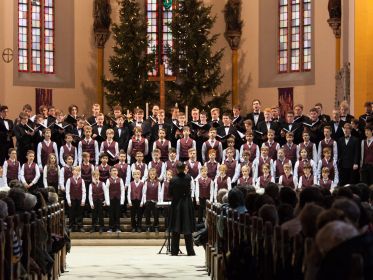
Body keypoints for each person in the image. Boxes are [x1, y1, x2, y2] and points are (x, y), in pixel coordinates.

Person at [168, 162, 196, 256]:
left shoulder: (173, 180)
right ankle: (190, 251)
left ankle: (174, 251)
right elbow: (190, 190)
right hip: (186, 204)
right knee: (187, 228)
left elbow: (169, 194)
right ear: (184, 169)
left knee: (176, 228)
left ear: (176, 169)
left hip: (176, 204)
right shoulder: (188, 178)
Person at [105, 166, 125, 233]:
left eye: (116, 170)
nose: (114, 172)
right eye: (113, 170)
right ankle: (110, 227)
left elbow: (122, 190)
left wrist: (122, 200)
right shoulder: (108, 180)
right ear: (110, 172)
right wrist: (107, 201)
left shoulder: (120, 180)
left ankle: (117, 228)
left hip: (118, 199)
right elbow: (106, 191)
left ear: (117, 172)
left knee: (117, 214)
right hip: (111, 199)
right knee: (111, 214)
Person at [66, 166, 86, 232]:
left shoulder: (82, 180)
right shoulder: (69, 180)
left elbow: (84, 191)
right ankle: (71, 226)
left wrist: (83, 200)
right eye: (75, 170)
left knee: (80, 213)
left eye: (78, 171)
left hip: (79, 199)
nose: (77, 172)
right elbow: (67, 191)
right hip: (72, 198)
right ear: (72, 171)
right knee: (72, 213)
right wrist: (68, 200)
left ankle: (80, 226)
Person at [143, 168, 161, 232]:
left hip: (155, 201)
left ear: (155, 175)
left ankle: (156, 226)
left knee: (156, 215)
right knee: (147, 214)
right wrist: (145, 201)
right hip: (148, 201)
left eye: (153, 174)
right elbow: (144, 193)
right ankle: (148, 226)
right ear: (149, 175)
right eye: (151, 174)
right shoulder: (146, 182)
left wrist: (159, 202)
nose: (152, 175)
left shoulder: (158, 182)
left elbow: (159, 192)